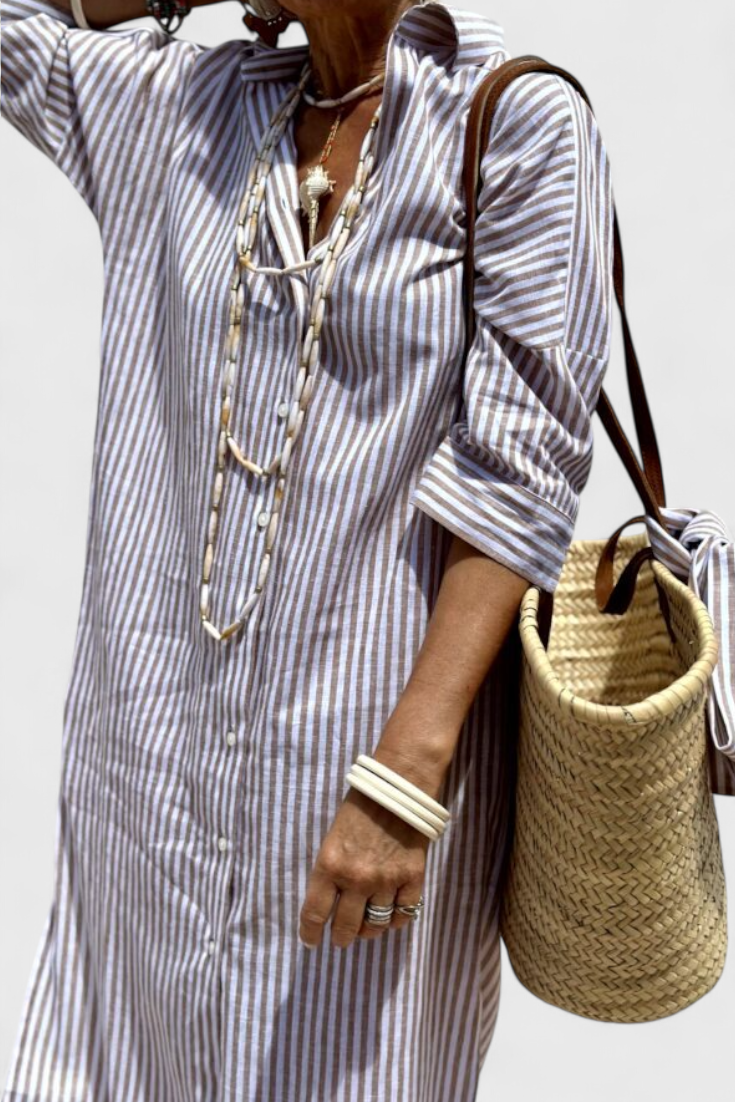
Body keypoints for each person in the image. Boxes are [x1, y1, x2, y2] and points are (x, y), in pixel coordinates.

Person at [0, 0, 614, 1098]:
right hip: (148, 787)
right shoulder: (181, 111)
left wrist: (401, 781)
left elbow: (522, 470)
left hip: (363, 774)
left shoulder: (509, 117)